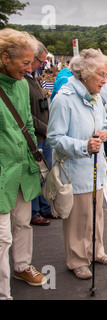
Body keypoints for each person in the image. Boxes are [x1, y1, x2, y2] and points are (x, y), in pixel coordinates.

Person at [47, 48, 107, 280]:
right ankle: (77, 260)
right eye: (101, 75)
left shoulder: (95, 97)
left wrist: (105, 132)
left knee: (96, 215)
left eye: (106, 75)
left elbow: (105, 124)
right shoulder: (64, 99)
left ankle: (96, 251)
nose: (105, 81)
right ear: (84, 73)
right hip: (75, 171)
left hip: (96, 170)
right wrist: (83, 146)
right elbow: (54, 138)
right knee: (78, 219)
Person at [0, 28, 46, 300]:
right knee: (2, 237)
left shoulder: (20, 84)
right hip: (2, 173)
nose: (31, 68)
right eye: (26, 63)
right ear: (5, 57)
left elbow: (27, 122)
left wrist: (33, 158)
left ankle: (21, 266)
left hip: (22, 169)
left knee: (23, 222)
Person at [25, 41, 54, 226]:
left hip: (43, 134)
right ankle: (35, 211)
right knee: (37, 176)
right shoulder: (24, 81)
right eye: (40, 61)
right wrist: (46, 128)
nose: (41, 65)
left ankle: (44, 208)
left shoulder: (32, 78)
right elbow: (27, 115)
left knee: (46, 174)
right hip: (37, 136)